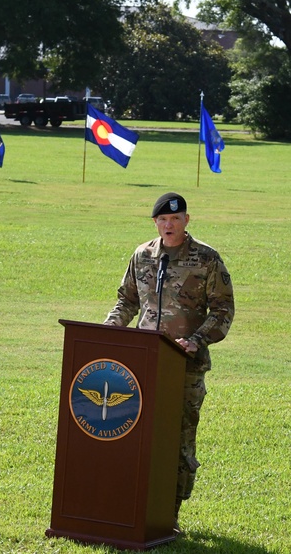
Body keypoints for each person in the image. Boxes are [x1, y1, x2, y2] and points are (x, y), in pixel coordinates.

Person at [103, 192, 234, 534]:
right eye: (163, 220)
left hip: (184, 367)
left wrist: (197, 340)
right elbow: (127, 301)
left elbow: (223, 310)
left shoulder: (206, 259)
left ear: (186, 220)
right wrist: (108, 332)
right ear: (155, 223)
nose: (169, 225)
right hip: (141, 366)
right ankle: (130, 508)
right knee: (136, 436)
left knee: (177, 439)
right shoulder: (142, 255)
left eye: (176, 219)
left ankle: (168, 515)